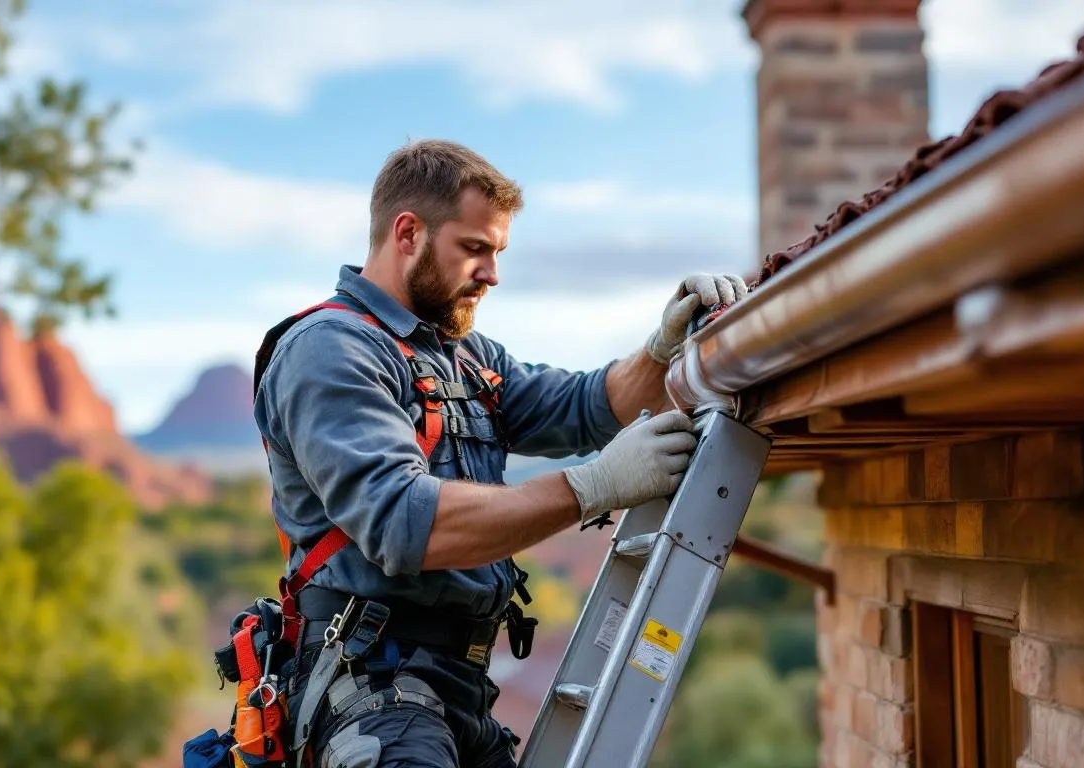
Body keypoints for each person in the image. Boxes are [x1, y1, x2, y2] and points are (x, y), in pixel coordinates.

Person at [251, 139, 747, 768]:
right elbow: (406, 523)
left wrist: (663, 345)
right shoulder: (330, 351)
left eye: (498, 252)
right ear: (408, 234)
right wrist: (594, 486)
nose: (492, 274)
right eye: (475, 249)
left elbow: (587, 405)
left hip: (457, 690)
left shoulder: (467, 357)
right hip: (375, 688)